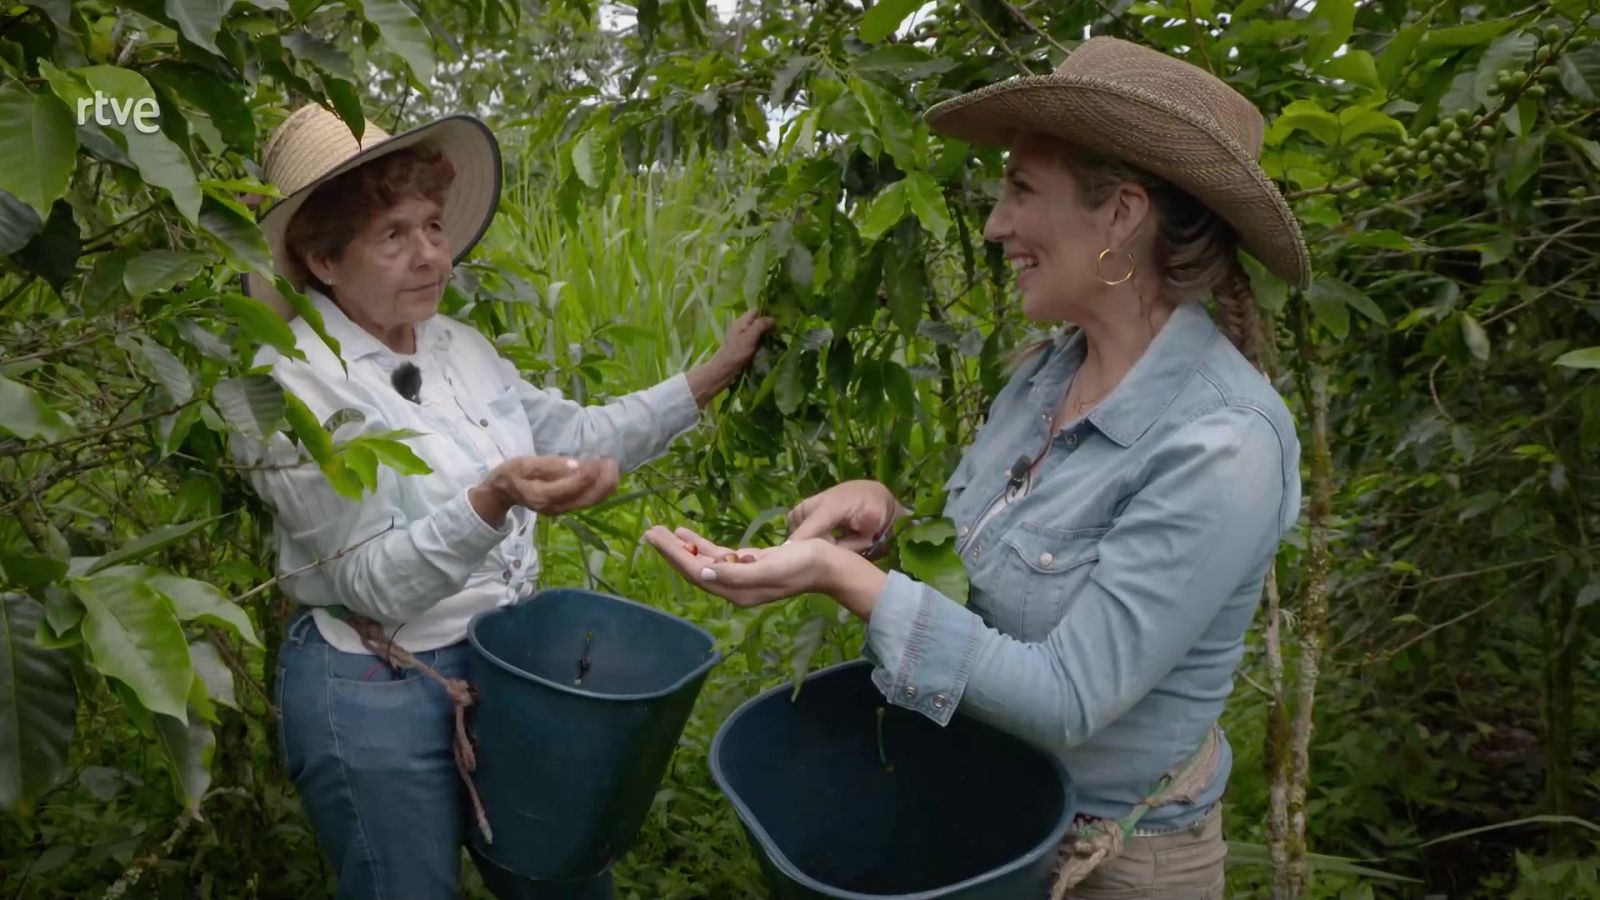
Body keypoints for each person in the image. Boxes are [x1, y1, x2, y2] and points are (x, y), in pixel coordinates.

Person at [645, 37, 1305, 899]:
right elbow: (1011, 569)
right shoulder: (1049, 372)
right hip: (989, 820)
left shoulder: (1225, 443)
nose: (996, 224)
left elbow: (1070, 693)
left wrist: (846, 581)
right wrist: (888, 523)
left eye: (1022, 189)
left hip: (1115, 863)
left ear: (1122, 217)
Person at [232, 104, 772, 899]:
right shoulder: (287, 386)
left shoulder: (459, 348)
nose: (429, 257)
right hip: (371, 686)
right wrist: (491, 499)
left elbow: (579, 432)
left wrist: (710, 376)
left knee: (561, 874)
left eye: (433, 227)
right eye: (392, 236)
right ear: (321, 259)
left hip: (499, 662)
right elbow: (370, 584)